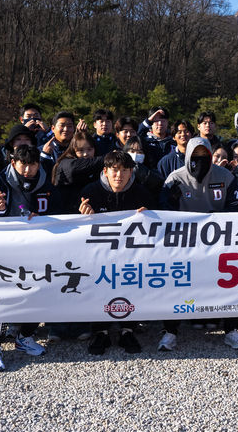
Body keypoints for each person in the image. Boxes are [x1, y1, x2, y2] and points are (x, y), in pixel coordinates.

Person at [159, 137, 238, 351]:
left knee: (229, 284)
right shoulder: (175, 178)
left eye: (204, 156)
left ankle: (231, 330)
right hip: (183, 245)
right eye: (194, 157)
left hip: (220, 243)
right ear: (187, 156)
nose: (199, 161)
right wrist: (169, 200)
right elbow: (162, 212)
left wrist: (219, 217)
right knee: (176, 285)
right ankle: (170, 332)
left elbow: (236, 208)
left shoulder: (225, 176)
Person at [0, 145, 54, 371]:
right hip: (2, 251)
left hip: (37, 250)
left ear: (39, 164)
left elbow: (59, 213)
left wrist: (43, 219)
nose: (28, 169)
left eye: (32, 164)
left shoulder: (46, 183)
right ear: (13, 162)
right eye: (23, 164)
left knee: (37, 292)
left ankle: (25, 337)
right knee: (2, 298)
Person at [79, 151, 153, 355]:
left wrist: (149, 216)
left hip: (130, 256)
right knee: (98, 286)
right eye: (114, 170)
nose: (119, 175)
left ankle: (127, 330)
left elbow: (157, 224)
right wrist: (82, 216)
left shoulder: (141, 193)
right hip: (98, 256)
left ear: (131, 173)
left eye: (124, 170)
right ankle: (100, 331)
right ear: (105, 171)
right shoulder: (90, 192)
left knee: (131, 284)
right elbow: (71, 226)